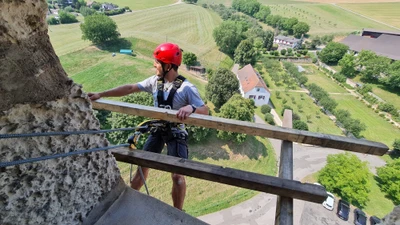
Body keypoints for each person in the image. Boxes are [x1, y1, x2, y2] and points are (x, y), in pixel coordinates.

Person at [88, 42, 208, 210]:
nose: (154, 65)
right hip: (157, 130)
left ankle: (178, 213)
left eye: (157, 62)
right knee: (141, 170)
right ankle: (128, 205)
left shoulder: (187, 89)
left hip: (176, 132)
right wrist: (102, 94)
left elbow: (205, 110)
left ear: (168, 66)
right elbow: (130, 88)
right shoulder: (154, 82)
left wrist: (192, 107)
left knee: (178, 177)